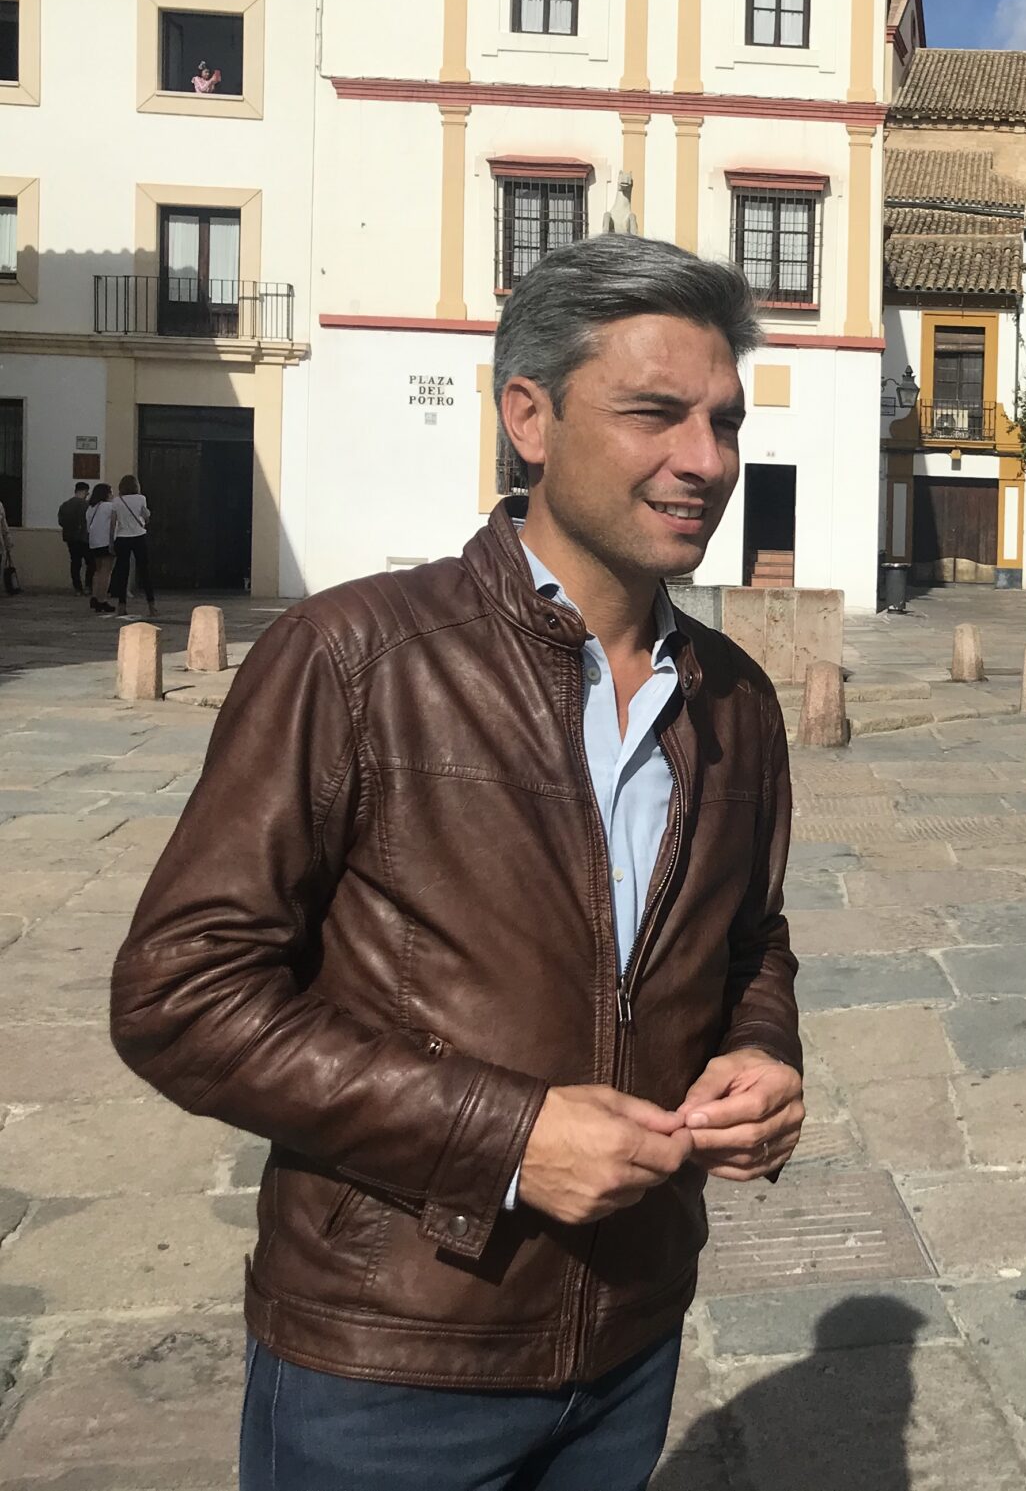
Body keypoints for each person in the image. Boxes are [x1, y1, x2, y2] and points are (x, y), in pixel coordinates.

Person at [110, 235, 804, 1491]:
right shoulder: (356, 658)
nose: (705, 460)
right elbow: (180, 993)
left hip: (631, 1335)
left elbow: (750, 938)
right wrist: (510, 1134)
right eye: (654, 413)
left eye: (723, 422)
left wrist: (761, 1050)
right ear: (527, 418)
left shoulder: (736, 699)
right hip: (389, 1356)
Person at [109, 474, 157, 619]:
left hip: (122, 538)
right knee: (144, 571)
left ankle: (121, 605)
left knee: (122, 572)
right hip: (139, 536)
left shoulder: (117, 501)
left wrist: (111, 541)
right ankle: (151, 605)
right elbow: (146, 518)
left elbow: (113, 523)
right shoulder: (141, 498)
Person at [84, 481, 116, 613]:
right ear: (106, 494)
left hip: (93, 542)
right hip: (106, 541)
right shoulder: (109, 507)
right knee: (106, 571)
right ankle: (102, 599)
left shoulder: (91, 508)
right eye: (111, 492)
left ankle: (94, 596)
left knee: (97, 571)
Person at [58, 481, 90, 595]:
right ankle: (88, 586)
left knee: (75, 562)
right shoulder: (86, 505)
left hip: (70, 537)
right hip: (84, 537)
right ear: (85, 491)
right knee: (90, 562)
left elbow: (61, 522)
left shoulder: (65, 505)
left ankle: (77, 588)